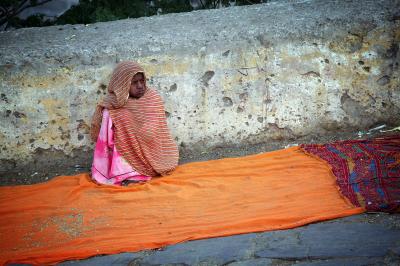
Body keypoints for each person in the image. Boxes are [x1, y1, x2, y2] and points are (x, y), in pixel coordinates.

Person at [90, 61, 179, 185]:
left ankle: (139, 169)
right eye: (134, 82)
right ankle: (119, 171)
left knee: (121, 116)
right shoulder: (113, 103)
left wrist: (140, 133)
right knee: (110, 114)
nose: (140, 86)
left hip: (150, 148)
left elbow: (156, 130)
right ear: (122, 84)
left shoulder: (152, 97)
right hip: (120, 151)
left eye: (142, 81)